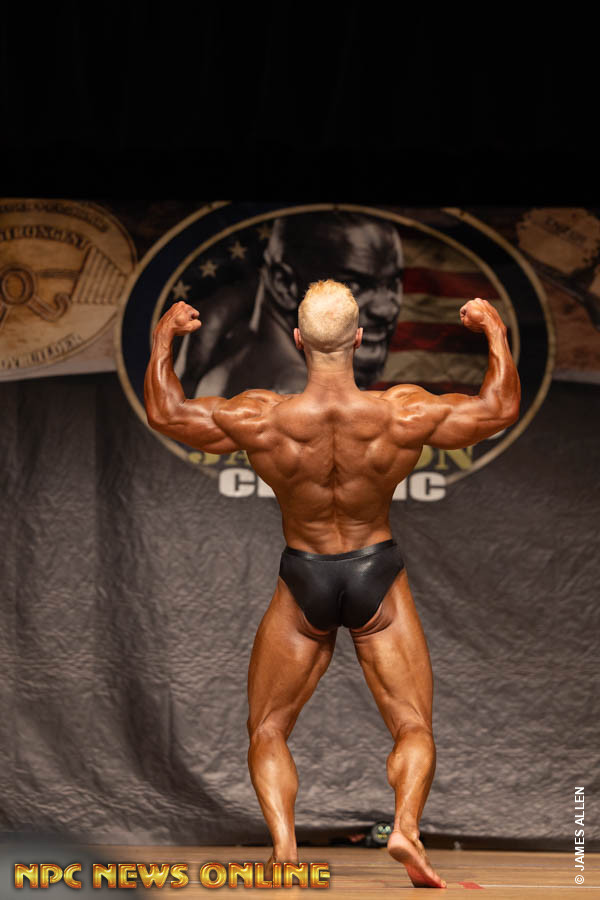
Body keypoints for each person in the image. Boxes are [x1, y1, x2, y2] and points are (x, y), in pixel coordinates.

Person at [144, 280, 520, 889]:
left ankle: (285, 851)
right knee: (413, 727)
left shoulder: (261, 416)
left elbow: (167, 412)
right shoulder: (401, 412)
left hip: (305, 575)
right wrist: (494, 332)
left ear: (297, 339)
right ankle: (405, 828)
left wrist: (163, 340)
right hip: (377, 573)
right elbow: (497, 410)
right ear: (360, 338)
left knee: (268, 728)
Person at [176, 212, 404, 397]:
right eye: (353, 285)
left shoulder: (229, 350)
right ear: (283, 284)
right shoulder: (297, 391)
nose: (385, 310)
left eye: (393, 283)